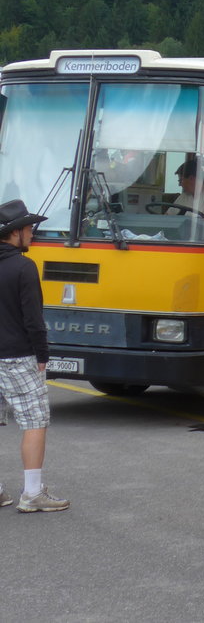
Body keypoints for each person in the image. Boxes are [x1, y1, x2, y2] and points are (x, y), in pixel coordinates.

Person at [0, 198, 69, 512]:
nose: (31, 233)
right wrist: (43, 354)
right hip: (17, 356)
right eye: (28, 228)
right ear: (15, 233)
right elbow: (33, 319)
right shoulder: (23, 267)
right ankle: (31, 493)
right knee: (34, 421)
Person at [172, 156, 204, 239]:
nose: (179, 185)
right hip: (183, 239)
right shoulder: (184, 197)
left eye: (181, 180)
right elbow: (169, 217)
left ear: (191, 178)